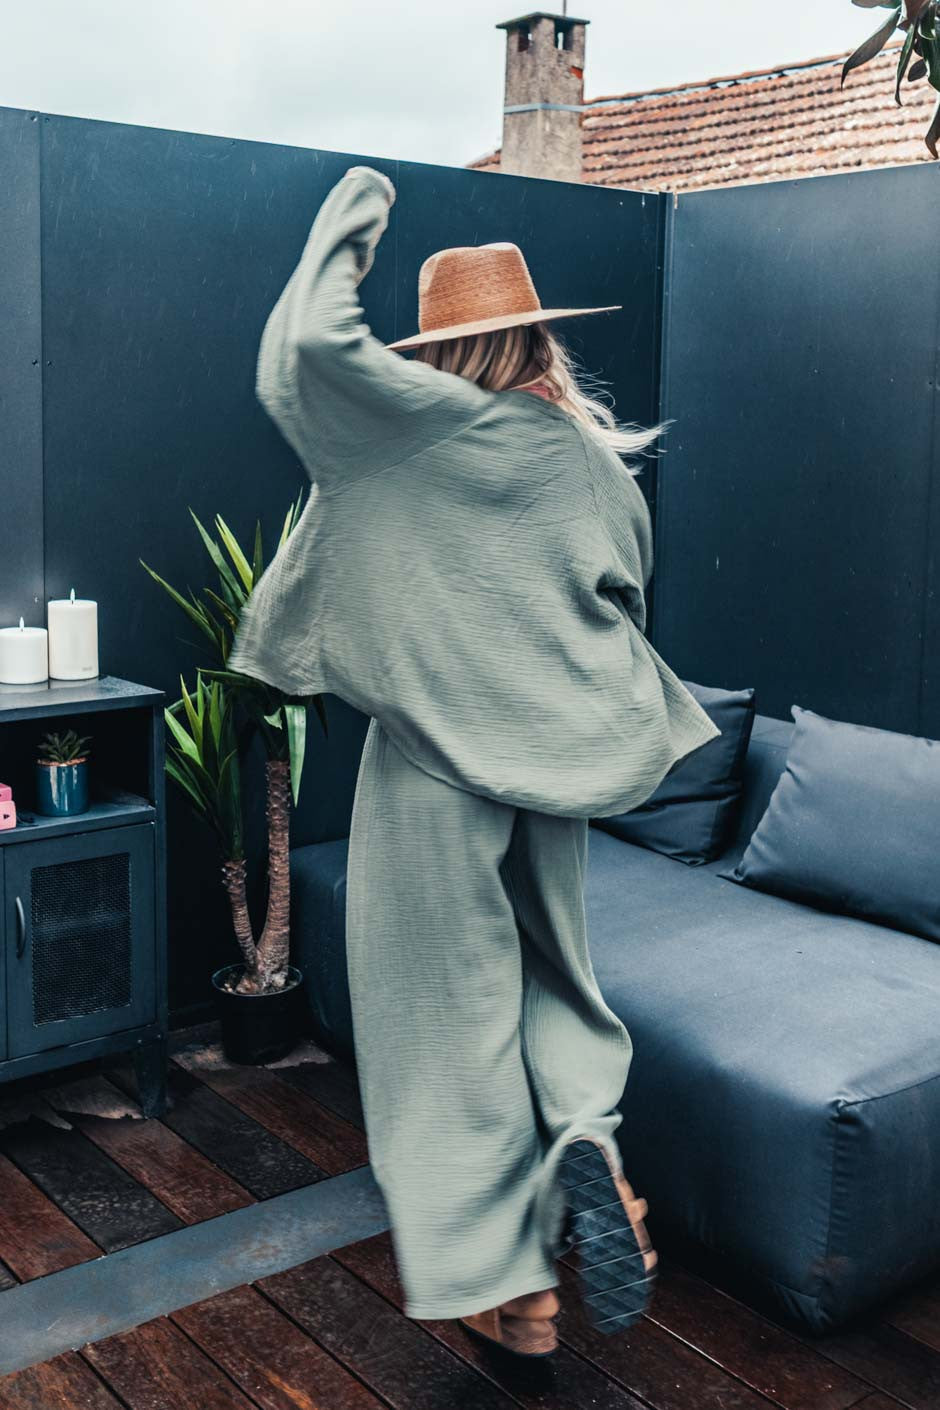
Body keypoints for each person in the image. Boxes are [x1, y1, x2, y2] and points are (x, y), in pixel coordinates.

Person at [227, 164, 721, 1358]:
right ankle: (585, 1137)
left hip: (431, 773)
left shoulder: (407, 432)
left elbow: (297, 359)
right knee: (556, 975)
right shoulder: (589, 460)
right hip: (556, 764)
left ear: (442, 348)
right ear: (541, 336)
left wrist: (354, 212)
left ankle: (509, 1283)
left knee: (440, 1017)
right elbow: (624, 596)